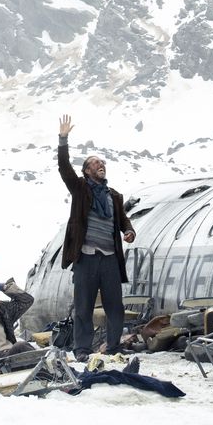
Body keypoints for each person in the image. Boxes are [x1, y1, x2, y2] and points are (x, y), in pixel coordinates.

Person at [56, 115, 136, 362]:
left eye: (102, 162)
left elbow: (121, 219)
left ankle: (113, 346)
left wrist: (129, 230)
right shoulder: (80, 189)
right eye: (95, 163)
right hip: (87, 257)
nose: (100, 164)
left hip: (110, 258)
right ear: (87, 170)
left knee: (115, 306)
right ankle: (82, 349)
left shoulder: (113, 196)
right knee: (84, 307)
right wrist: (63, 139)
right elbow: (64, 167)